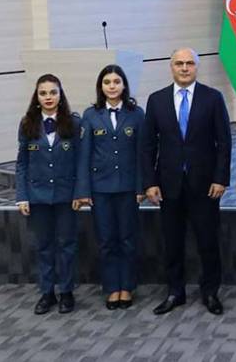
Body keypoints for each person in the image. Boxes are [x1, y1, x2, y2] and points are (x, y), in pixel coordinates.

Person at [140, 48, 231, 315]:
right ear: (171, 67)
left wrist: (220, 178)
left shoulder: (212, 98)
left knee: (208, 242)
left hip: (205, 184)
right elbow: (147, 146)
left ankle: (210, 292)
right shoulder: (156, 100)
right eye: (179, 63)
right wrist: (149, 182)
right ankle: (175, 292)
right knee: (172, 242)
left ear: (196, 67)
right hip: (168, 185)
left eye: (189, 63)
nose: (184, 68)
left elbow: (224, 142)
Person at [74, 64, 146, 310]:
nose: (112, 86)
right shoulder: (91, 115)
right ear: (100, 87)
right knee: (106, 240)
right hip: (100, 188)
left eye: (116, 81)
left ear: (124, 85)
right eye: (107, 82)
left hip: (128, 188)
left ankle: (127, 287)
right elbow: (84, 155)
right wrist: (83, 191)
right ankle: (112, 287)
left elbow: (142, 154)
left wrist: (141, 187)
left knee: (127, 239)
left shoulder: (136, 114)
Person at [15, 74, 81, 315]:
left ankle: (66, 292)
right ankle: (47, 293)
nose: (48, 97)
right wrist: (22, 196)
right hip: (37, 196)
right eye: (43, 93)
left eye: (53, 92)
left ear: (60, 95)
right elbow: (22, 163)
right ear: (37, 97)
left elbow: (80, 161)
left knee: (67, 245)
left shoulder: (74, 123)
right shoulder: (27, 124)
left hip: (66, 196)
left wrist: (80, 192)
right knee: (43, 246)